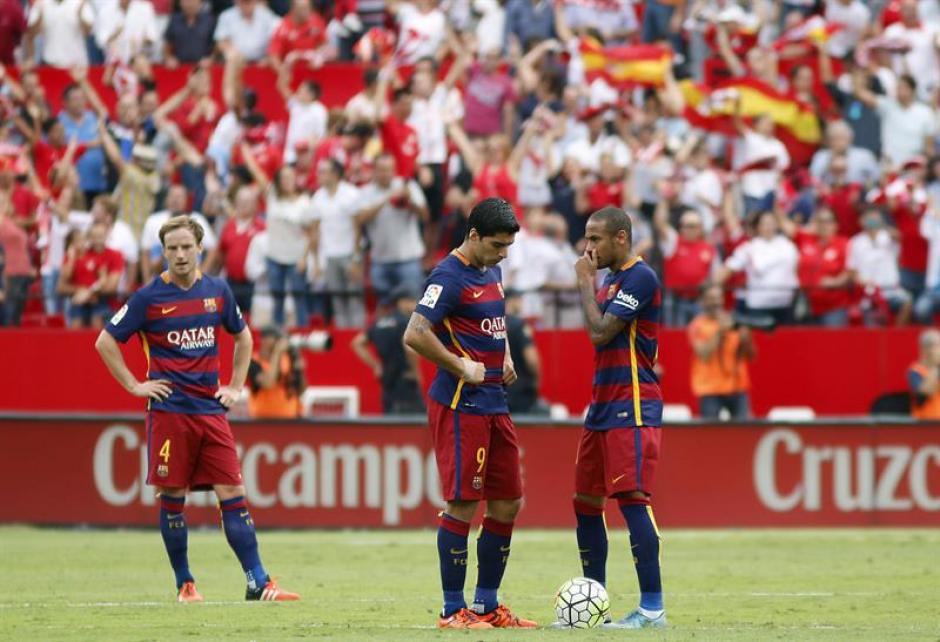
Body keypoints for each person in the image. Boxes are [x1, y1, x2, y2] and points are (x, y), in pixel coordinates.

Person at [94, 215, 299, 603]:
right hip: (170, 414)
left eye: (187, 247)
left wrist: (236, 387)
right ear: (163, 252)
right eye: (172, 248)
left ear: (200, 248)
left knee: (233, 491)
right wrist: (135, 385)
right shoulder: (148, 297)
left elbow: (244, 338)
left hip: (210, 411)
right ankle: (185, 584)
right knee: (173, 496)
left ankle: (258, 582)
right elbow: (106, 341)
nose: (180, 254)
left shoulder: (218, 291)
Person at [402, 197, 536, 630]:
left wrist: (507, 355)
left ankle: (486, 605)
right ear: (473, 235)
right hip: (461, 405)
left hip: (496, 401)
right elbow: (415, 333)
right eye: (497, 245)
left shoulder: (491, 270)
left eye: (508, 247)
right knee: (462, 503)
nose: (503, 254)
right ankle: (450, 610)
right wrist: (461, 366)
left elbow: (492, 321)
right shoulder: (447, 275)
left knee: (508, 502)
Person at [571, 206, 666, 629]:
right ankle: (595, 604)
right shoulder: (611, 281)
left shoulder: (640, 277)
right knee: (587, 503)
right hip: (602, 407)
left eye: (596, 239)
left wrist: (583, 284)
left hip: (633, 404)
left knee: (631, 501)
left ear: (621, 238)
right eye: (587, 239)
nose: (588, 247)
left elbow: (599, 332)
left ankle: (651, 609)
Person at [350, 285, 425, 415]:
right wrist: (415, 371)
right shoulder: (406, 322)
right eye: (412, 301)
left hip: (387, 385)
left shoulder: (379, 323)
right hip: (406, 384)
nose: (416, 304)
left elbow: (357, 343)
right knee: (414, 428)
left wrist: (376, 365)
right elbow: (410, 349)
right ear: (402, 302)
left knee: (391, 427)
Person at [688, 284, 755, 419]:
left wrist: (746, 339)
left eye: (719, 298)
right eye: (711, 298)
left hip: (737, 386)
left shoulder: (735, 322)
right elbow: (704, 355)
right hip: (710, 389)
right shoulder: (697, 325)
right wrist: (719, 332)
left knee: (745, 433)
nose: (716, 302)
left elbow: (751, 355)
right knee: (710, 436)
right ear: (702, 301)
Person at [247, 325, 305, 419]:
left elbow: (301, 390)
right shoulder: (253, 362)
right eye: (277, 339)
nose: (280, 343)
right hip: (263, 421)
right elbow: (268, 383)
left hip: (291, 420)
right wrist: (277, 353)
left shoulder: (288, 359)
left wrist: (299, 369)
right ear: (264, 340)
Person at [503, 288, 543, 414]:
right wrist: (537, 380)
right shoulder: (519, 325)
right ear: (511, 301)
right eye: (518, 299)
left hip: (499, 391)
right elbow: (531, 359)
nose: (521, 302)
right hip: (521, 392)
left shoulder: (494, 325)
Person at [908, 329, 940, 420]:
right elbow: (923, 394)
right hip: (925, 424)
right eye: (937, 346)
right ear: (925, 348)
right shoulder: (915, 370)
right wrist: (935, 366)